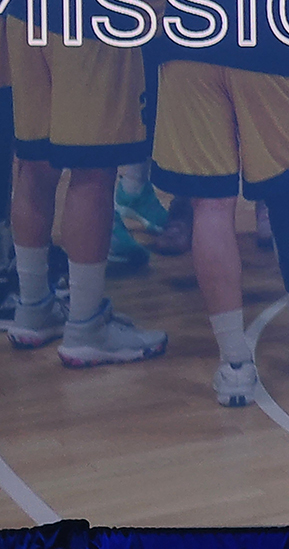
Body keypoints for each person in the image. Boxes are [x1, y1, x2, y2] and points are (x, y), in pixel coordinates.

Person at [150, 0, 289, 406]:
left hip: (188, 40)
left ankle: (234, 364)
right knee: (288, 194)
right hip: (269, 35)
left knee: (210, 205)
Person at [4, 5, 168, 365]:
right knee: (94, 172)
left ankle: (33, 308)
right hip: (93, 21)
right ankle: (86, 325)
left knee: (33, 165)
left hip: (24, 16)